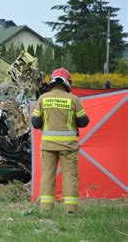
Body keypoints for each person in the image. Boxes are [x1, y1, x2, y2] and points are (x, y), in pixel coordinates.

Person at [31, 67, 89, 214]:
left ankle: (46, 209)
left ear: (52, 82)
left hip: (48, 146)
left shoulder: (43, 98)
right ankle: (70, 210)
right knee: (70, 177)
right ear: (68, 83)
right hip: (68, 147)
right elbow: (84, 122)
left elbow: (36, 123)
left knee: (47, 176)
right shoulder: (74, 99)